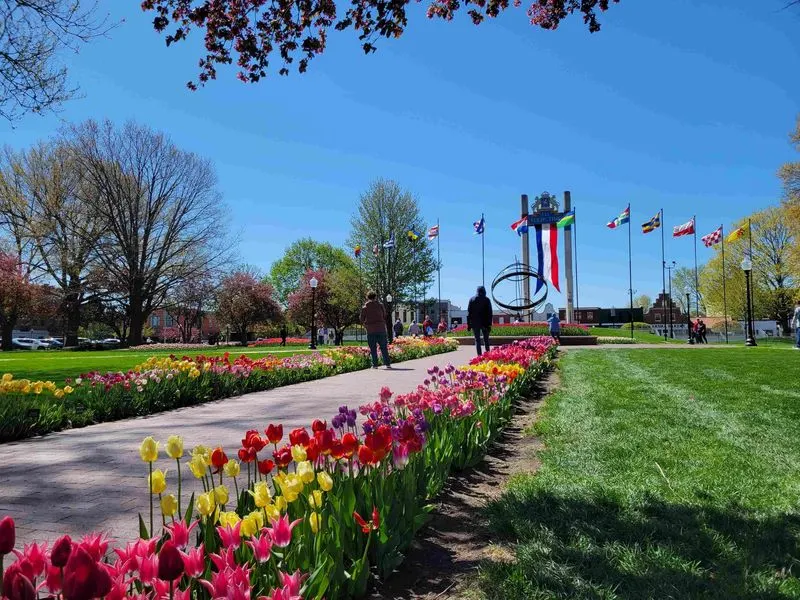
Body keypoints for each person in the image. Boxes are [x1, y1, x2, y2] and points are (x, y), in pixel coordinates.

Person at [360, 291, 392, 369]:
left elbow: (361, 318)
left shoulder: (365, 307)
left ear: (367, 297)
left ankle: (375, 365)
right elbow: (384, 315)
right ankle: (387, 364)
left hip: (370, 330)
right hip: (381, 329)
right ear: (375, 297)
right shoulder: (380, 306)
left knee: (373, 348)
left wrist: (366, 325)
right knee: (384, 347)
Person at [467, 285, 492, 356]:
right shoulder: (487, 300)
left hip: (475, 323)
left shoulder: (472, 299)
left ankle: (479, 356)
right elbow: (490, 313)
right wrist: (489, 323)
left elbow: (469, 313)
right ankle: (488, 355)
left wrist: (469, 325)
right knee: (486, 340)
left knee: (477, 340)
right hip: (485, 323)